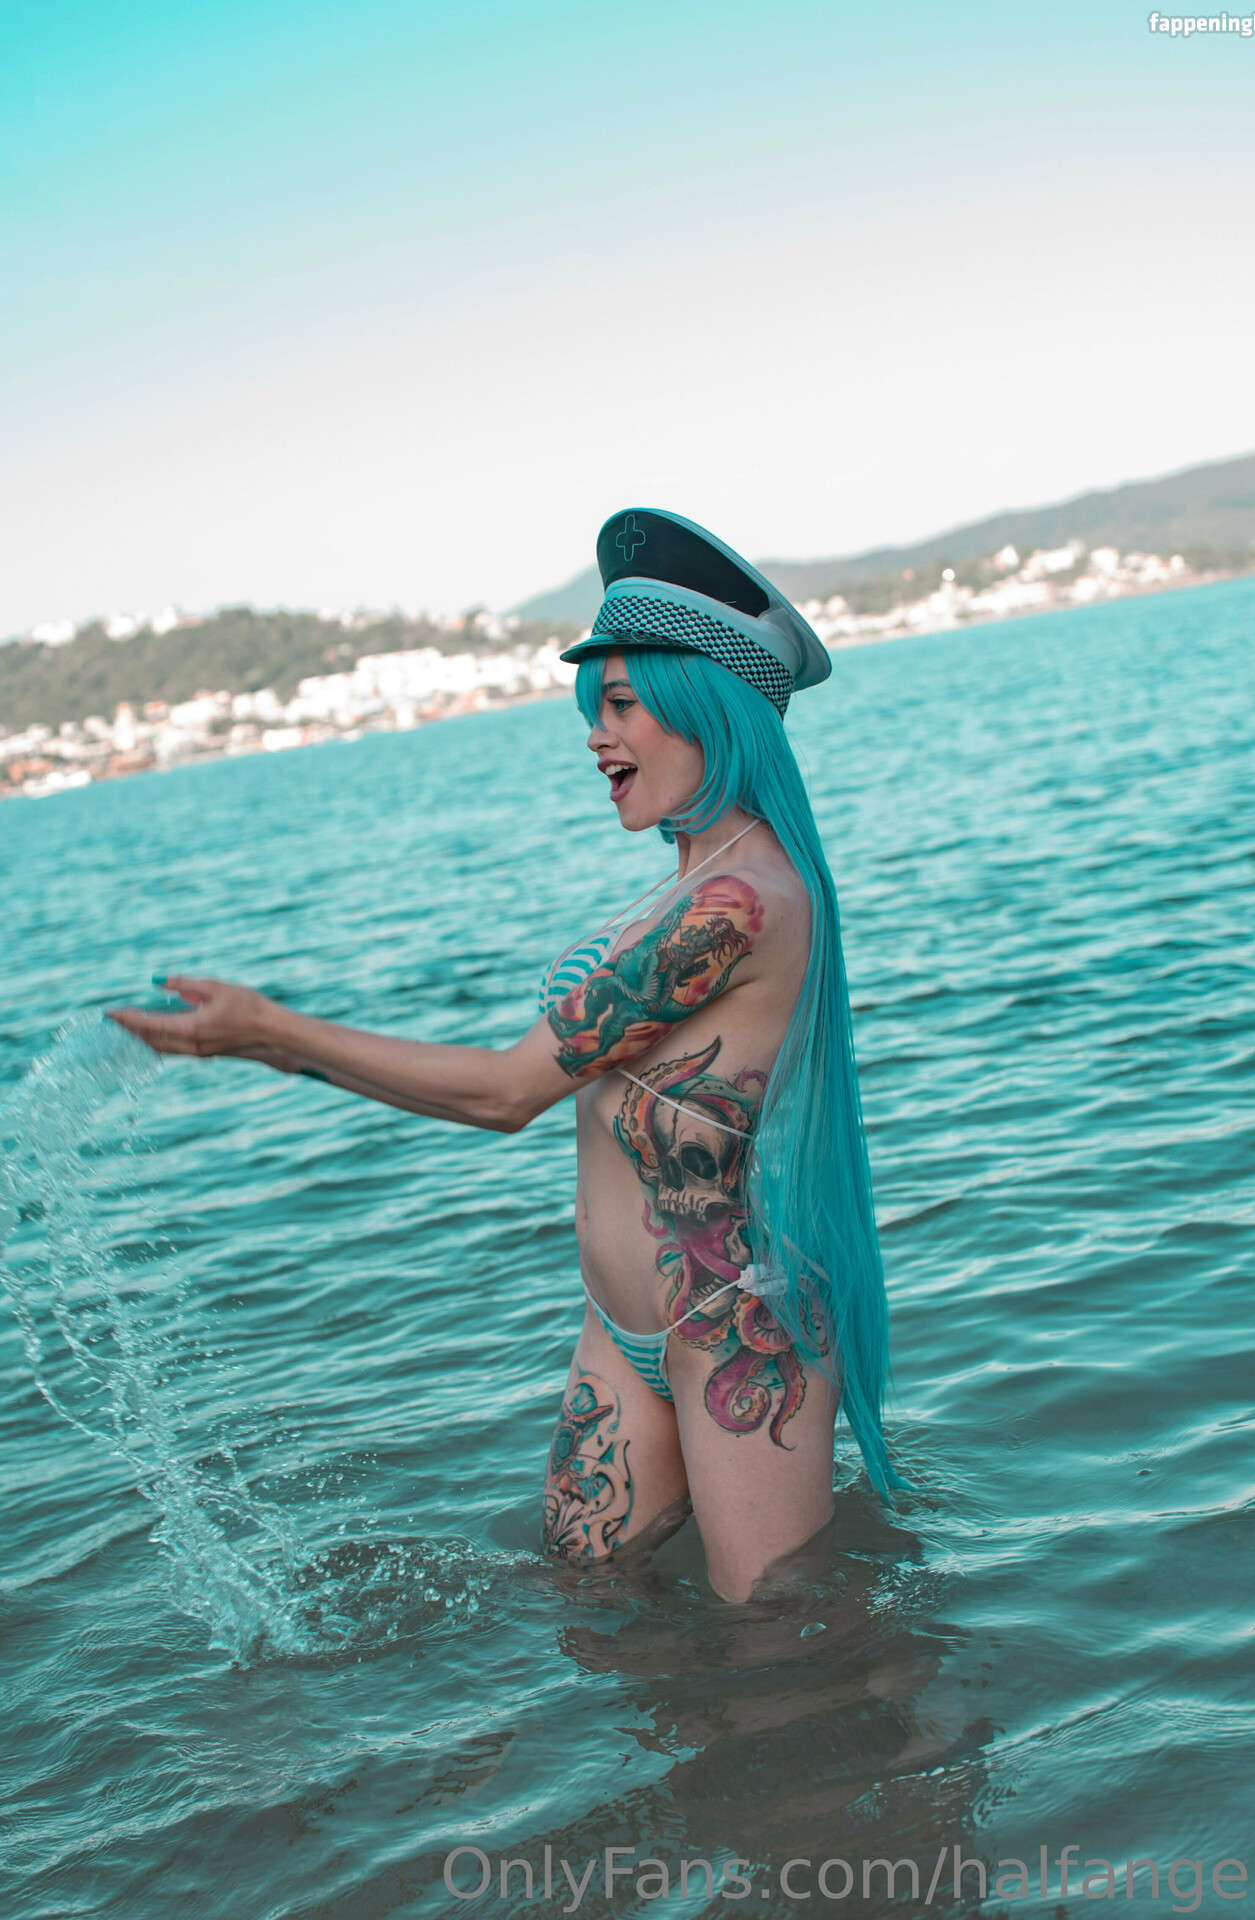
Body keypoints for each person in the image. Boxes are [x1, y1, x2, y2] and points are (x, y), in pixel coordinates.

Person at [110, 508, 895, 1602]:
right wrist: (268, 1046)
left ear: (707, 708)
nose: (596, 737)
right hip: (621, 1328)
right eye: (594, 708)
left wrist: (274, 1036)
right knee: (588, 1613)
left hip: (732, 1333)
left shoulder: (737, 903)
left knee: (785, 1654)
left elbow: (508, 1092)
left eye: (621, 705)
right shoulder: (681, 887)